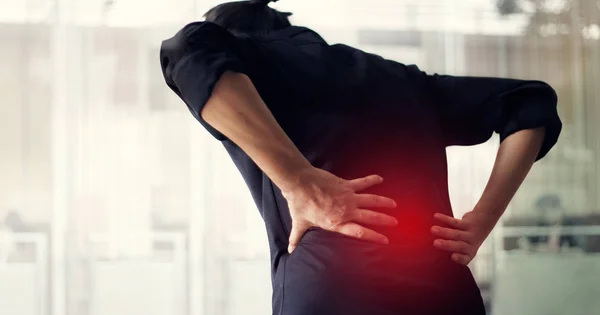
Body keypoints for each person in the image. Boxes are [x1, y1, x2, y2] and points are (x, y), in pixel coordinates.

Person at [159, 0, 562, 314]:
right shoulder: (402, 79)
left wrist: (300, 181)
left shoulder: (251, 60)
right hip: (444, 291)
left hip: (333, 289)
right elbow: (528, 103)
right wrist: (483, 219)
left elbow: (187, 51)